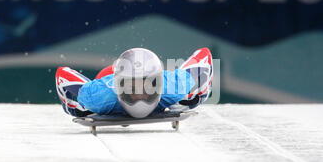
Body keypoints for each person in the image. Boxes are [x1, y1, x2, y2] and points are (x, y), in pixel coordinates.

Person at [55, 47, 213, 118]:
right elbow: (62, 74)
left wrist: (73, 108)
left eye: (146, 87)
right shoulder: (100, 96)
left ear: (157, 85)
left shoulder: (171, 87)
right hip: (108, 74)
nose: (139, 94)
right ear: (119, 87)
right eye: (131, 87)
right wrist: (198, 96)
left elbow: (204, 55)